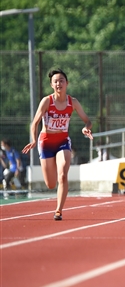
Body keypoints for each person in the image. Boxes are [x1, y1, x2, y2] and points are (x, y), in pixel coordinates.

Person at [22, 69, 93, 221]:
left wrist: (86, 127)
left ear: (67, 83)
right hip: (46, 143)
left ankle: (58, 210)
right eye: (55, 81)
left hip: (62, 142)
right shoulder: (47, 101)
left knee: (63, 176)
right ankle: (52, 175)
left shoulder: (72, 102)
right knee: (50, 184)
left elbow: (87, 120)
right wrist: (34, 140)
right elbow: (34, 123)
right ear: (51, 85)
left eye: (61, 80)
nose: (58, 83)